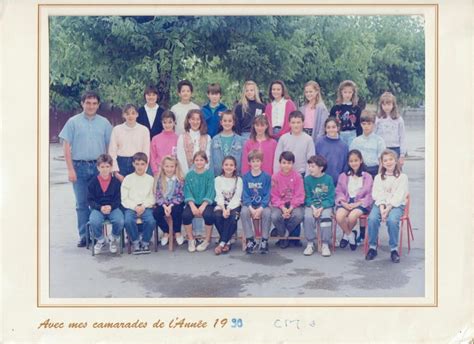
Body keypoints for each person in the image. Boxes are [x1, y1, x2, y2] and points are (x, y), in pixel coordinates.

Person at [59, 90, 113, 247]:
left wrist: (108, 168)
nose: (91, 106)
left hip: (99, 168)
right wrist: (70, 169)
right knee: (82, 203)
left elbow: (110, 146)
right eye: (88, 103)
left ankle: (99, 235)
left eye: (94, 103)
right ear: (82, 104)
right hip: (79, 167)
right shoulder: (73, 122)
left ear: (98, 105)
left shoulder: (104, 123)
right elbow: (66, 147)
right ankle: (84, 236)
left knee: (99, 201)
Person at [366, 149, 409, 263]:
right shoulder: (378, 177)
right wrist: (381, 208)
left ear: (396, 161)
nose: (388, 162)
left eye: (391, 159)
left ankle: (394, 249)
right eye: (385, 160)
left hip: (396, 205)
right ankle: (372, 247)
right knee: (372, 219)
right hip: (381, 204)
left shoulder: (402, 177)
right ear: (382, 163)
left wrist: (388, 209)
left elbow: (399, 196)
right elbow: (377, 194)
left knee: (392, 221)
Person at [335, 149, 373, 251]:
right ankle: (350, 234)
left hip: (361, 203)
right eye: (351, 161)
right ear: (348, 162)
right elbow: (339, 191)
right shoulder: (343, 176)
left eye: (356, 160)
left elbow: (369, 194)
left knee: (352, 217)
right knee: (339, 216)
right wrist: (343, 202)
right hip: (346, 200)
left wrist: (357, 204)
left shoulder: (367, 176)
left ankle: (345, 236)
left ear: (361, 161)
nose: (354, 163)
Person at [87, 154, 124, 255]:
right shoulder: (93, 182)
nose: (105, 169)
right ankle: (100, 239)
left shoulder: (116, 182)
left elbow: (119, 199)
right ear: (98, 167)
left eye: (107, 166)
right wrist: (100, 207)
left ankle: (113, 238)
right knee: (94, 220)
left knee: (119, 220)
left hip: (113, 207)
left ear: (111, 167)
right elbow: (90, 200)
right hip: (98, 208)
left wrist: (111, 206)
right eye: (102, 167)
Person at [121, 152, 156, 255]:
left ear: (146, 164)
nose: (140, 166)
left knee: (150, 221)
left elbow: (152, 197)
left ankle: (145, 242)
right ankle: (135, 242)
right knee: (128, 221)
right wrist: (134, 206)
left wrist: (144, 206)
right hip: (131, 207)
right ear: (133, 164)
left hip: (146, 207)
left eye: (142, 164)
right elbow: (124, 198)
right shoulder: (128, 179)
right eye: (137, 164)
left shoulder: (150, 179)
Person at [182, 151, 216, 253]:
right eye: (196, 160)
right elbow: (187, 190)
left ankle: (207, 239)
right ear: (193, 162)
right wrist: (192, 206)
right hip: (193, 202)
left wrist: (203, 205)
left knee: (209, 215)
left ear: (206, 161)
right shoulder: (189, 175)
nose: (199, 162)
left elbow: (211, 191)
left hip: (206, 202)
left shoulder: (209, 175)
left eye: (201, 160)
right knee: (186, 215)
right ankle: (191, 239)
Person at [270, 151, 305, 249]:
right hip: (279, 204)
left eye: (289, 163)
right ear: (280, 163)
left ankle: (282, 233)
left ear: (293, 164)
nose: (286, 166)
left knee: (299, 215)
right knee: (275, 216)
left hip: (294, 204)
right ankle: (284, 235)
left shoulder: (297, 177)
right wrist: (282, 207)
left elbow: (299, 195)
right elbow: (274, 195)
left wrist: (291, 208)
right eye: (284, 163)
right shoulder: (275, 177)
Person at [302, 155, 335, 257]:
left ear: (320, 168)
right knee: (307, 217)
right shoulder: (307, 180)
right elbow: (307, 196)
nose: (310, 168)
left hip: (325, 206)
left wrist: (321, 208)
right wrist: (313, 207)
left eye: (313, 166)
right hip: (311, 205)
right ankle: (310, 243)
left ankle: (325, 244)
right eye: (309, 166)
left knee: (326, 218)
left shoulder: (328, 179)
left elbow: (331, 197)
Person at [241, 150, 272, 254]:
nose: (255, 163)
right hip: (250, 205)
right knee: (244, 212)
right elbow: (245, 195)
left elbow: (267, 195)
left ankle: (264, 240)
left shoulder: (266, 177)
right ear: (249, 163)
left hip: (262, 205)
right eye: (253, 161)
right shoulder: (245, 177)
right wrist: (250, 207)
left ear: (261, 162)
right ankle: (250, 240)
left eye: (257, 161)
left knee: (267, 213)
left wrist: (261, 208)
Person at [109, 104, 150, 182]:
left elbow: (146, 151)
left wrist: (143, 169)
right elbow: (112, 151)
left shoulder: (144, 130)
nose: (130, 116)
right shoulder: (117, 129)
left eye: (133, 113)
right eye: (127, 114)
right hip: (121, 163)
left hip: (137, 162)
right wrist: (115, 171)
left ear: (137, 114)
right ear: (123, 115)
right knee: (121, 190)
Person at [153, 156, 185, 247]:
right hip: (163, 203)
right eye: (167, 166)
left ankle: (177, 231)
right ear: (163, 166)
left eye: (172, 167)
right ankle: (166, 231)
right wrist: (164, 205)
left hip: (176, 203)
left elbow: (181, 195)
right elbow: (158, 195)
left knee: (177, 210)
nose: (169, 169)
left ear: (175, 167)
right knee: (156, 212)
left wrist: (170, 205)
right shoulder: (159, 179)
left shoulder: (180, 179)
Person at [213, 156, 243, 255]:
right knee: (217, 216)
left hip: (234, 205)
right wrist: (223, 209)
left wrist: (229, 209)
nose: (228, 167)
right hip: (222, 205)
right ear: (222, 166)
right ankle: (227, 241)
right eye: (226, 165)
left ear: (235, 167)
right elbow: (218, 195)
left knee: (233, 219)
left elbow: (237, 197)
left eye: (231, 165)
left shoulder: (238, 180)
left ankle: (221, 243)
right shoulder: (218, 179)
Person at [273, 110, 315, 176]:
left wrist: (307, 176)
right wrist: (276, 175)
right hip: (285, 174)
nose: (296, 125)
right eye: (293, 122)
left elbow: (310, 159)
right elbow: (277, 158)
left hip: (301, 174)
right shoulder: (283, 138)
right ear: (289, 124)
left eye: (298, 122)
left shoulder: (308, 139)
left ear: (303, 123)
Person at [350, 111, 386, 178]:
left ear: (374, 124)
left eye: (369, 124)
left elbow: (381, 161)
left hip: (374, 171)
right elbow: (351, 159)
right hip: (360, 171)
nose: (366, 126)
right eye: (364, 124)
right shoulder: (356, 141)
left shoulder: (379, 141)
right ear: (361, 124)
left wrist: (379, 176)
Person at [176, 109, 211, 175]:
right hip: (186, 174)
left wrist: (202, 172)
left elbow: (208, 156)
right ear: (189, 120)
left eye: (198, 119)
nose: (195, 122)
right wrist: (188, 174)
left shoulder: (207, 137)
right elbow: (181, 157)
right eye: (193, 119)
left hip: (203, 174)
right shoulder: (182, 137)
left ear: (201, 121)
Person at [315, 117, 349, 185]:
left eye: (333, 127)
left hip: (337, 182)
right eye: (328, 127)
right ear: (325, 129)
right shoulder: (319, 143)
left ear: (338, 128)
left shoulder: (344, 146)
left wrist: (341, 180)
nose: (331, 129)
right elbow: (315, 162)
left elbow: (345, 166)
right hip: (321, 181)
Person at [210, 110, 245, 176]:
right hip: (218, 176)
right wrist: (212, 176)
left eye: (230, 121)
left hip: (235, 176)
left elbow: (243, 160)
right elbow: (211, 160)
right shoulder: (215, 139)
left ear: (233, 123)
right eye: (225, 121)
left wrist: (242, 176)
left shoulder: (240, 140)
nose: (227, 123)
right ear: (221, 122)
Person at [375, 92, 406, 164]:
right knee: (382, 172)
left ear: (393, 105)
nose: (386, 107)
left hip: (395, 148)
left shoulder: (398, 119)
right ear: (381, 105)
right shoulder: (378, 119)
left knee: (396, 171)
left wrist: (402, 155)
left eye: (389, 104)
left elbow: (402, 137)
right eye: (384, 104)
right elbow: (374, 135)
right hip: (382, 149)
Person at [330, 80, 362, 146]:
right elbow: (331, 122)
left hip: (352, 134)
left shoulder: (357, 109)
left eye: (350, 92)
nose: (347, 95)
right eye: (345, 92)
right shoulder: (335, 108)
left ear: (353, 93)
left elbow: (359, 124)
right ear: (341, 92)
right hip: (339, 134)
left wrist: (359, 137)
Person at [149, 110, 179, 176]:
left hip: (173, 172)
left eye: (170, 122)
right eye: (165, 122)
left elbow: (179, 157)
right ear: (161, 123)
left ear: (174, 123)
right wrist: (155, 171)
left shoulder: (178, 139)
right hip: (159, 171)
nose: (167, 125)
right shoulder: (155, 139)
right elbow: (152, 157)